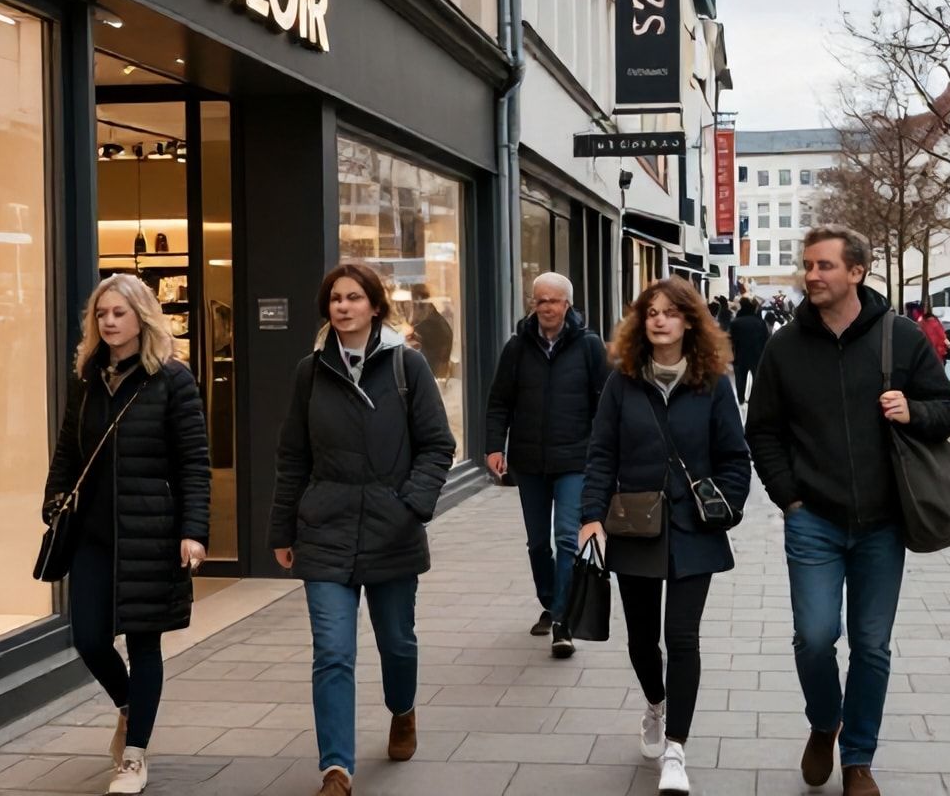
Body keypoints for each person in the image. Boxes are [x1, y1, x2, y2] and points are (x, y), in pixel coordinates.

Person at [745, 226, 950, 796]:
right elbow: (762, 430)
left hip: (883, 525)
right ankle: (825, 722)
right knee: (815, 638)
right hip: (812, 519)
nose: (812, 275)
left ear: (857, 273)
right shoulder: (784, 347)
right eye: (808, 266)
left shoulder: (901, 338)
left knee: (871, 645)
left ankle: (858, 758)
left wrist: (912, 410)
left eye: (824, 266)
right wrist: (789, 498)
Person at [269, 263, 455, 796]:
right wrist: (283, 529)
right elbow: (292, 455)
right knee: (332, 651)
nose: (343, 306)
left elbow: (438, 445)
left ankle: (403, 709)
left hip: (391, 527)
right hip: (324, 527)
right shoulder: (310, 371)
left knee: (396, 642)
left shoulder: (407, 365)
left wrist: (409, 506)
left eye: (353, 298)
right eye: (334, 298)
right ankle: (336, 768)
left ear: (375, 306)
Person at [578, 277, 750, 796]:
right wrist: (590, 517)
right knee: (641, 640)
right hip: (634, 524)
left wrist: (726, 506)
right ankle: (655, 701)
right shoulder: (622, 380)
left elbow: (735, 457)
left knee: (683, 637)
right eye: (650, 312)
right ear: (640, 322)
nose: (659, 320)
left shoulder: (713, 381)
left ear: (689, 321)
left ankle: (676, 749)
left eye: (671, 312)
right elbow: (601, 453)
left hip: (694, 528)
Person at [43, 274, 210, 795]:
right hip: (92, 530)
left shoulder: (172, 380)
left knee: (143, 641)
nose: (109, 322)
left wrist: (193, 530)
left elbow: (194, 464)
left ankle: (134, 756)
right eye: (101, 314)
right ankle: (129, 707)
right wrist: (53, 501)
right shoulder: (87, 380)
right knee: (89, 638)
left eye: (119, 312)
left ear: (142, 316)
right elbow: (69, 452)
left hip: (150, 531)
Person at [484, 272, 608, 658]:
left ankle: (563, 620)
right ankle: (551, 600)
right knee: (538, 543)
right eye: (540, 301)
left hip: (574, 459)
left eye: (554, 301)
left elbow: (605, 404)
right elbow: (499, 401)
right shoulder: (517, 348)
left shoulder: (589, 347)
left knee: (568, 539)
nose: (547, 308)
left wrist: (605, 456)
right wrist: (493, 446)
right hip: (530, 461)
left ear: (567, 305)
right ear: (533, 304)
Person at [728, 297, 769, 404]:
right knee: (757, 378)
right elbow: (766, 339)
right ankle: (755, 399)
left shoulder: (735, 323)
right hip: (757, 354)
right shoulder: (760, 322)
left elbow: (729, 340)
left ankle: (741, 399)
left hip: (740, 354)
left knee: (740, 379)